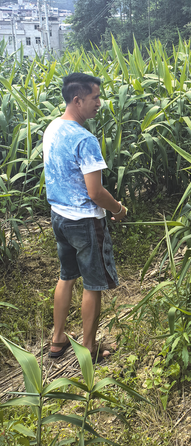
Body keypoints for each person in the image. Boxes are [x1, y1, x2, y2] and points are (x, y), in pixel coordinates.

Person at [43, 73, 128, 362]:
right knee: (93, 284)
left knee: (66, 277)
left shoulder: (53, 127)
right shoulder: (85, 139)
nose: (99, 103)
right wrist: (118, 209)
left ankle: (57, 341)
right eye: (95, 97)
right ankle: (89, 349)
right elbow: (95, 192)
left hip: (59, 217)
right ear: (77, 100)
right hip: (84, 222)